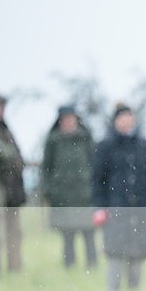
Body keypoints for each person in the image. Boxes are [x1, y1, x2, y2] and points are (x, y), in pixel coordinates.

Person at [92, 103, 146, 291]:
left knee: (137, 252)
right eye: (122, 118)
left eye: (129, 118)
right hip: (116, 208)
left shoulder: (143, 145)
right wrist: (99, 207)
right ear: (115, 121)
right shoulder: (105, 146)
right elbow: (98, 180)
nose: (126, 122)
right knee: (115, 252)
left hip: (141, 208)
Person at [41, 105, 97, 269]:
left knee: (88, 232)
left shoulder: (85, 138)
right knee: (68, 234)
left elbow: (95, 164)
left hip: (85, 194)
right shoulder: (54, 140)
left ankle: (92, 264)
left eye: (71, 118)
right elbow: (47, 168)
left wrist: (93, 187)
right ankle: (69, 265)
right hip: (63, 196)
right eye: (65, 119)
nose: (68, 122)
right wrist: (49, 190)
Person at [0, 93, 26, 275]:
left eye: (2, 106)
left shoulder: (6, 130)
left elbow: (16, 158)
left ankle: (15, 267)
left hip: (11, 191)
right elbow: (7, 155)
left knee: (14, 232)